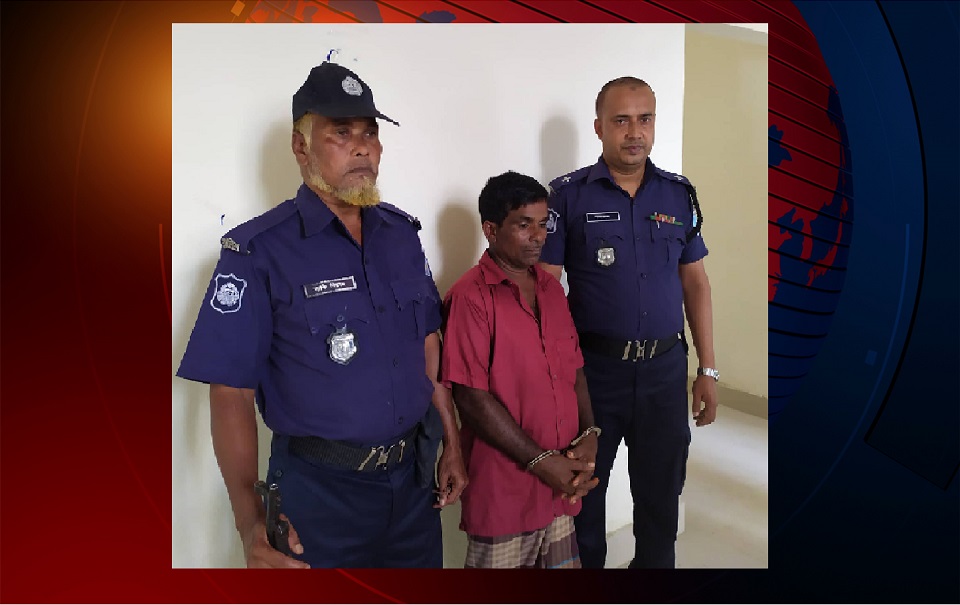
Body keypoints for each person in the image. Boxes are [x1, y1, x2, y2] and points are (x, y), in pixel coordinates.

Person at [176, 62, 467, 568]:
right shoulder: (259, 252)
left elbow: (427, 343)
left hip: (412, 484)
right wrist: (249, 522)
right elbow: (230, 393)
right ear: (301, 146)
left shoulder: (401, 236)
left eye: (370, 133)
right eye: (341, 133)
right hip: (318, 497)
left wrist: (452, 440)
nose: (363, 148)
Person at [539, 77, 719, 569]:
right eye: (621, 120)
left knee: (661, 501)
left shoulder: (679, 195)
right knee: (584, 499)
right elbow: (545, 292)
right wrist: (550, 378)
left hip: (664, 372)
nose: (634, 132)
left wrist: (708, 369)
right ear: (599, 127)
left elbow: (696, 283)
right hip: (594, 375)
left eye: (645, 119)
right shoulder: (567, 197)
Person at [440, 171, 600, 569]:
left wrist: (589, 433)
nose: (538, 236)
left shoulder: (551, 289)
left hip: (561, 490)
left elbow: (575, 371)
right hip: (506, 493)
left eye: (543, 224)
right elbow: (470, 398)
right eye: (523, 225)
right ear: (491, 230)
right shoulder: (470, 297)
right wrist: (542, 463)